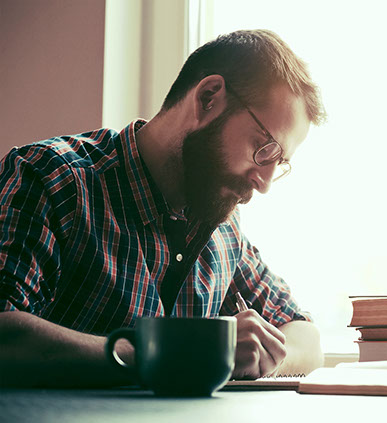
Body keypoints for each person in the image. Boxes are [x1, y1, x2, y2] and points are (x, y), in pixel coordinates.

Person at [0, 29, 326, 388]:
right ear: (208, 99)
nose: (264, 183)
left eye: (279, 164)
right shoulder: (52, 179)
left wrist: (257, 358)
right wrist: (173, 353)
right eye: (264, 149)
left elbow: (306, 339)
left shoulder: (223, 229)